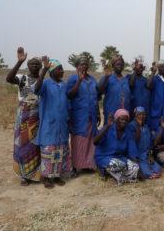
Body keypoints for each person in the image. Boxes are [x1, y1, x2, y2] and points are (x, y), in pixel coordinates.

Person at [6, 47, 42, 185]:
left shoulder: (42, 79)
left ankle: (36, 174)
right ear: (28, 65)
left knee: (36, 145)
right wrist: (19, 62)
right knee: (22, 144)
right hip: (23, 116)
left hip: (38, 114)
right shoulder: (23, 78)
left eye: (37, 64)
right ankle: (25, 175)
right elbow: (9, 78)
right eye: (32, 63)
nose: (35, 66)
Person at [34, 57, 71, 188]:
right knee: (48, 151)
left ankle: (56, 175)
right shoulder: (45, 84)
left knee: (60, 151)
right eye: (59, 69)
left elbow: (68, 103)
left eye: (62, 69)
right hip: (49, 125)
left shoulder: (64, 85)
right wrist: (43, 70)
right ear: (52, 71)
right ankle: (46, 177)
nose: (62, 71)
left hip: (62, 125)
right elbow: (36, 89)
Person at [67, 56, 100, 176]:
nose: (84, 66)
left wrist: (98, 113)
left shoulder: (92, 79)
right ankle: (75, 167)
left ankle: (87, 165)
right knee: (78, 140)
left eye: (86, 64)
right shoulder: (72, 78)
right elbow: (70, 95)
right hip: (78, 116)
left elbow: (95, 98)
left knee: (89, 141)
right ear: (77, 67)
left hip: (91, 116)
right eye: (81, 64)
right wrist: (79, 80)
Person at [94, 109, 139, 185]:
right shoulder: (108, 128)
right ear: (116, 119)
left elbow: (132, 152)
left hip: (119, 158)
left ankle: (118, 176)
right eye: (121, 119)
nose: (124, 121)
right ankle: (102, 169)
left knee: (135, 168)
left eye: (126, 120)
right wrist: (107, 127)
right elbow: (95, 141)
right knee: (120, 165)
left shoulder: (128, 132)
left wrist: (138, 168)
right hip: (104, 157)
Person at [129, 107, 161, 179]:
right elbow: (134, 142)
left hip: (146, 154)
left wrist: (150, 155)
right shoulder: (131, 126)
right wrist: (139, 127)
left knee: (158, 169)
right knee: (145, 171)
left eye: (143, 114)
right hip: (137, 155)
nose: (142, 116)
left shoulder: (146, 126)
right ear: (135, 115)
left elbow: (150, 144)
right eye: (139, 114)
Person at [98, 56, 132, 125]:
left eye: (121, 65)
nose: (120, 66)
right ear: (113, 66)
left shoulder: (126, 80)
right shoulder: (107, 78)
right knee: (110, 132)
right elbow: (99, 91)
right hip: (111, 113)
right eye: (118, 64)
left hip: (124, 116)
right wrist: (106, 77)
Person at [147, 60, 164, 133]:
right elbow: (148, 85)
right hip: (155, 115)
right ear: (158, 68)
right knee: (154, 135)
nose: (163, 68)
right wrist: (153, 72)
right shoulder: (154, 79)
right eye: (161, 66)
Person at [128, 58, 150, 122]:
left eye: (141, 68)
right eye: (137, 68)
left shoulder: (145, 80)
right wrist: (135, 71)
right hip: (134, 108)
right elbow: (131, 85)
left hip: (145, 109)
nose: (139, 69)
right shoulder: (129, 77)